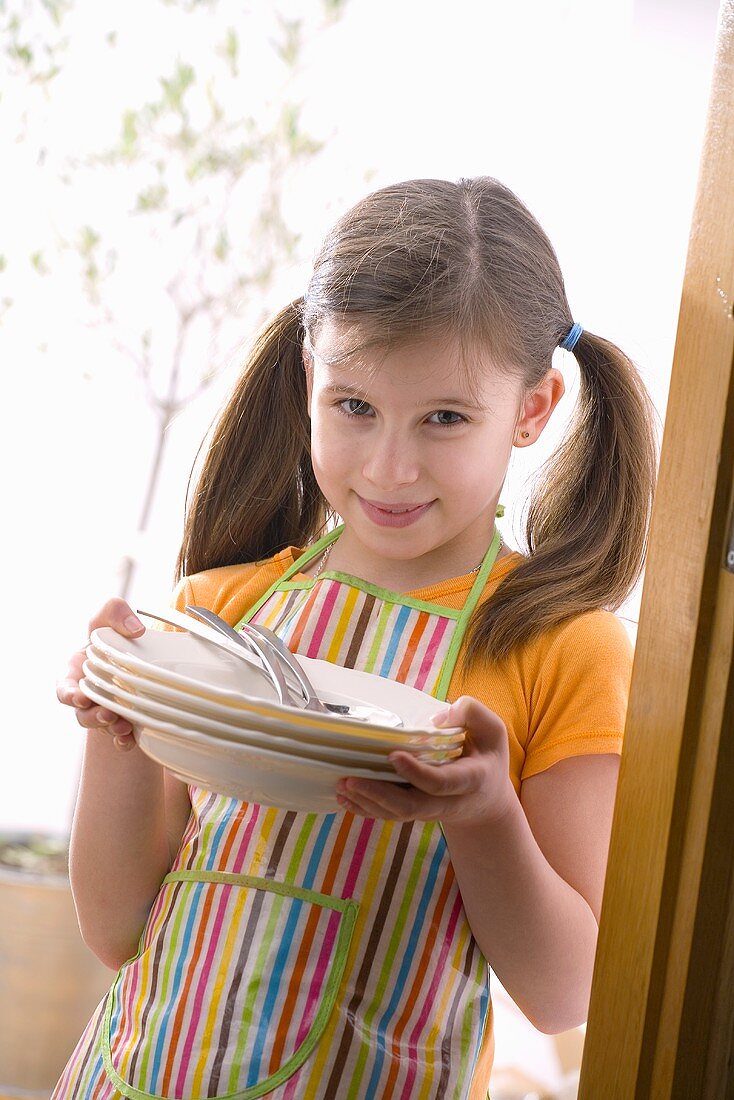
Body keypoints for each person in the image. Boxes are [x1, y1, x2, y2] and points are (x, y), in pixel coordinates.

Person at [53, 176, 658, 1099]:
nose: (389, 466)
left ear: (532, 410)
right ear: (309, 379)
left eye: (446, 418)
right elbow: (117, 926)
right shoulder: (223, 609)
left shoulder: (562, 647)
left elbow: (564, 990)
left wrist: (484, 811)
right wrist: (118, 724)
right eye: (354, 406)